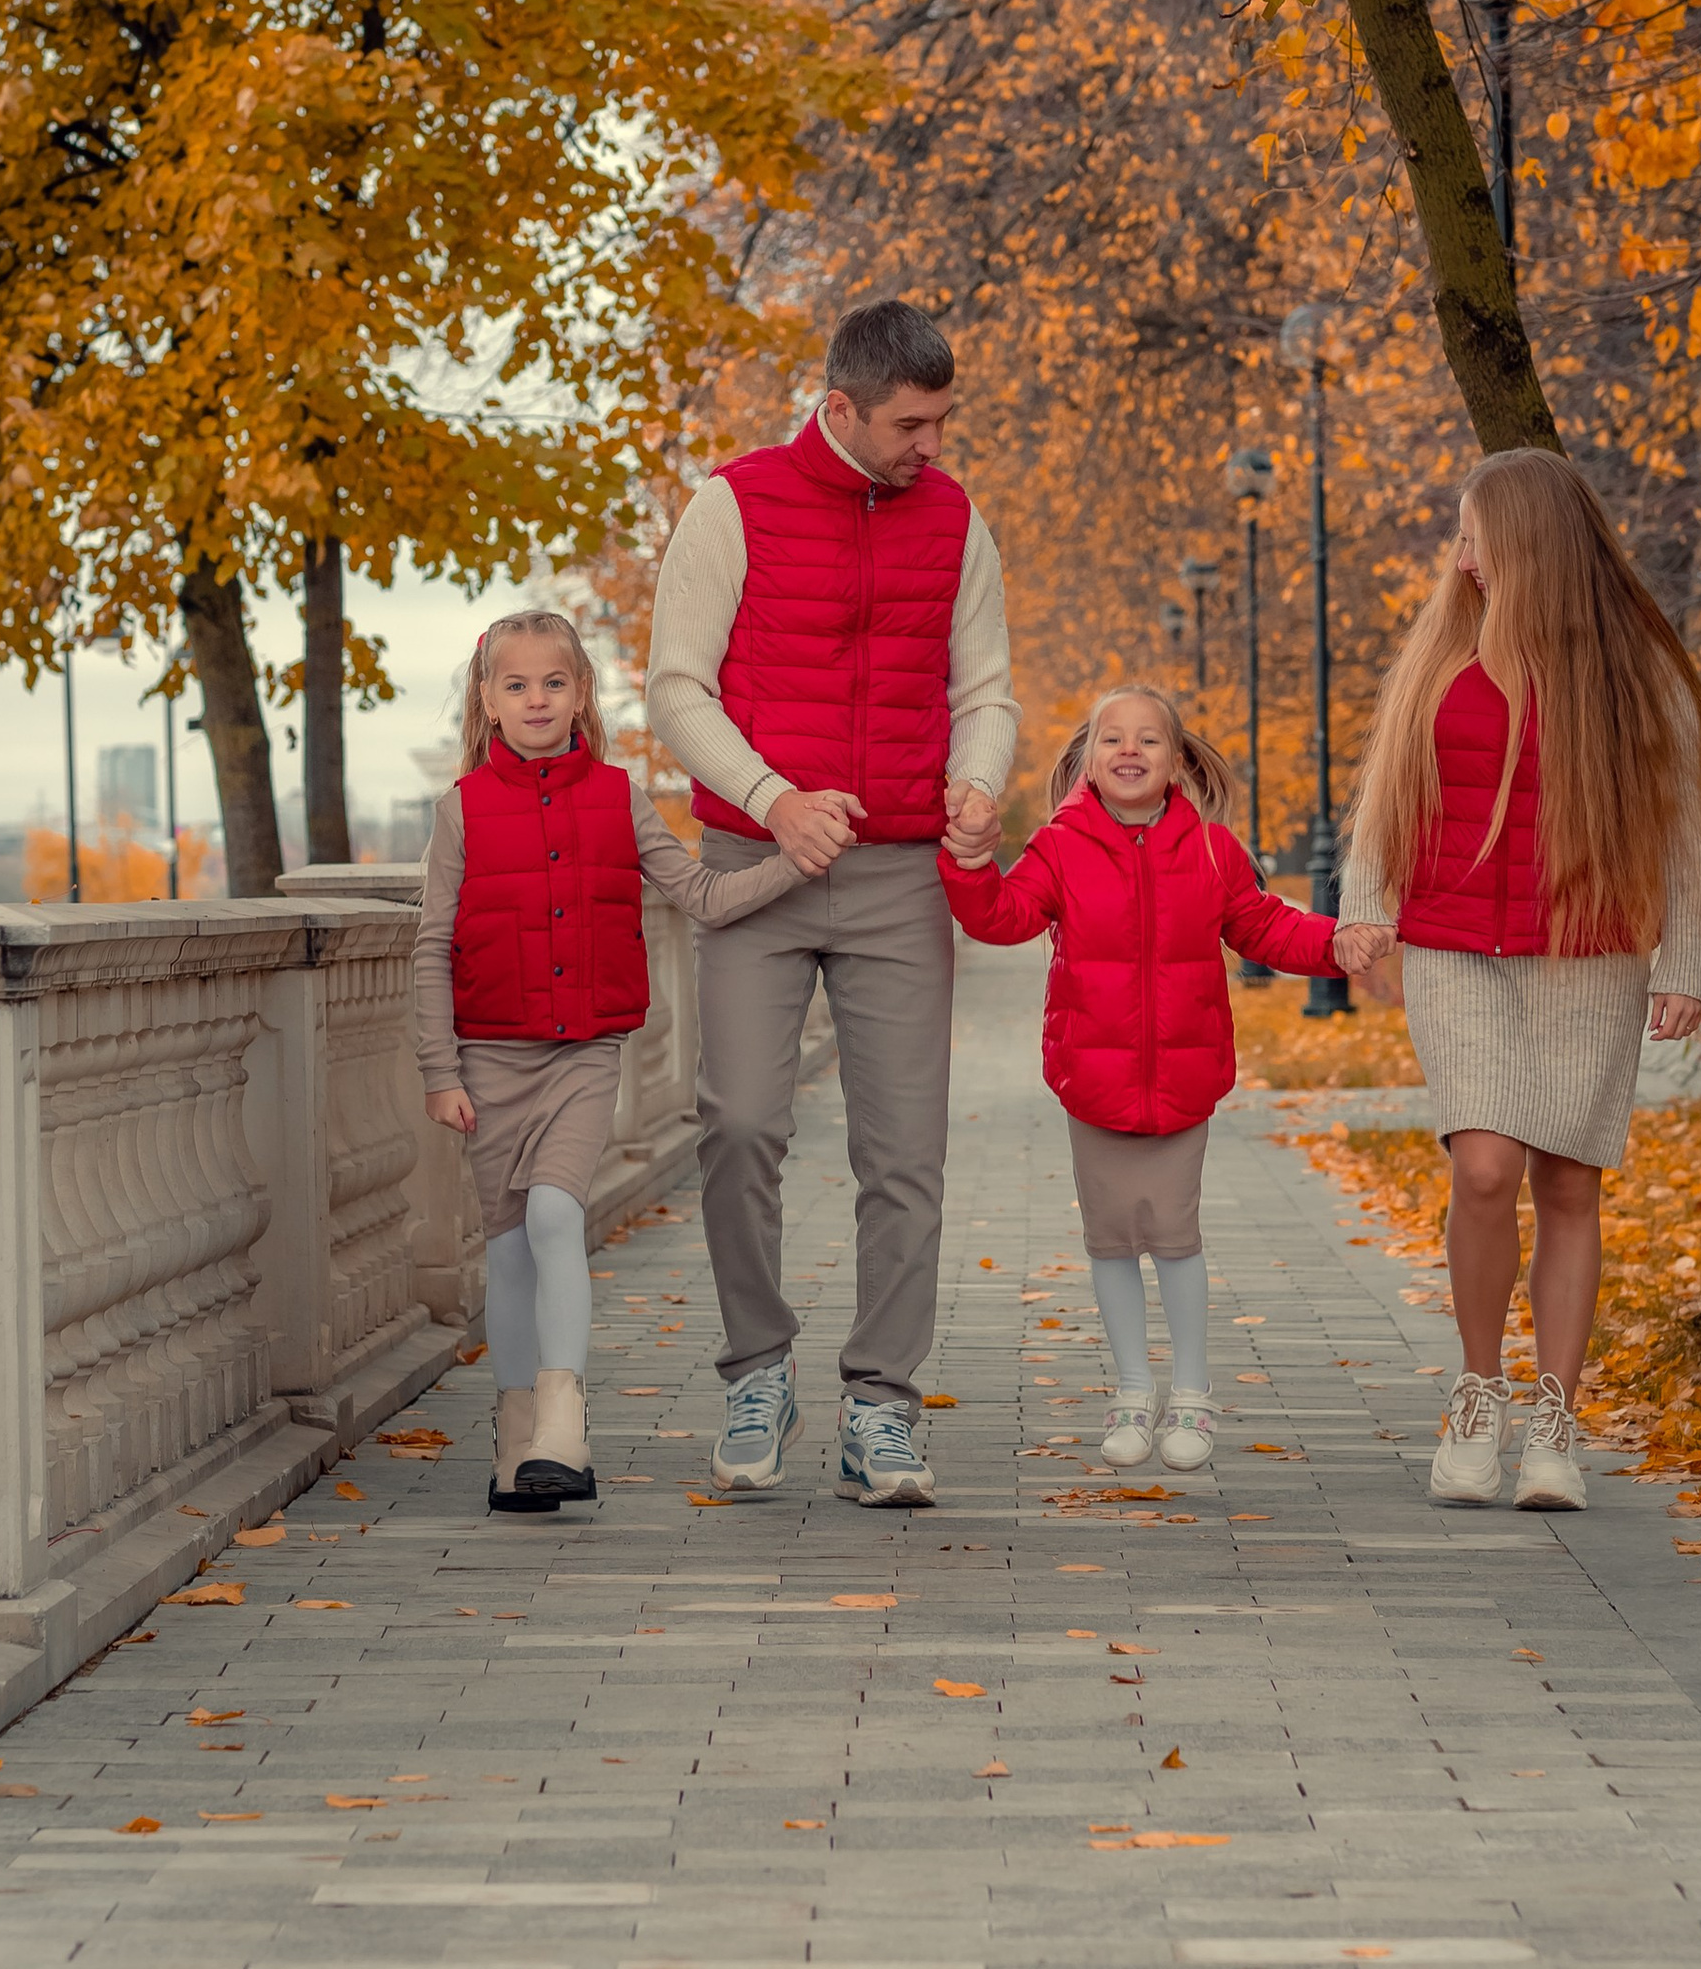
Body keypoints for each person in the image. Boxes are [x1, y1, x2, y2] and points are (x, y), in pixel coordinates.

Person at [646, 299, 1018, 1508]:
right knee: (741, 1122)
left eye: (942, 419)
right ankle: (757, 1367)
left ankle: (880, 1408)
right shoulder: (732, 503)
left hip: (900, 873)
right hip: (758, 865)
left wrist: (976, 781)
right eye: (912, 423)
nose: (931, 443)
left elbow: (989, 691)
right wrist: (773, 795)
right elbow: (675, 691)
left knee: (904, 1152)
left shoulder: (955, 516)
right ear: (841, 407)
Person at [1332, 451, 1701, 1513]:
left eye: (1470, 535)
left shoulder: (1635, 672)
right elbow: (1389, 794)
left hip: (1588, 954)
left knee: (1565, 1181)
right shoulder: (1442, 651)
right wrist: (1364, 908)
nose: (1457, 556)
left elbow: (1685, 834)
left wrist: (1683, 965)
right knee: (1482, 1165)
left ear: (1525, 544)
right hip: (1458, 950)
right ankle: (1478, 1390)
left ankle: (1554, 1420)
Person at [414, 610, 804, 1514]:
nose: (536, 698)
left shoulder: (620, 797)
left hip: (583, 1055)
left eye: (554, 682)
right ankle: (519, 1451)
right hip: (486, 1058)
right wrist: (440, 1070)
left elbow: (700, 892)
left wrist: (793, 862)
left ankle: (564, 1424)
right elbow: (430, 943)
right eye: (516, 685)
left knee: (554, 1215)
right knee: (508, 1253)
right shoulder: (459, 811)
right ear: (488, 701)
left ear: (582, 693)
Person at [940, 686, 1344, 1470]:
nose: (1130, 750)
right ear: (1087, 759)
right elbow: (1001, 917)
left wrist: (1337, 944)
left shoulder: (1213, 851)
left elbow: (1265, 925)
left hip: (1185, 1072)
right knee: (1113, 1238)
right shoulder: (1059, 848)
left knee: (1174, 1232)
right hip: (1094, 1074)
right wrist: (968, 861)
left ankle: (1191, 1393)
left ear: (1178, 761)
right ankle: (1132, 1389)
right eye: (1112, 739)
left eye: (1149, 740)